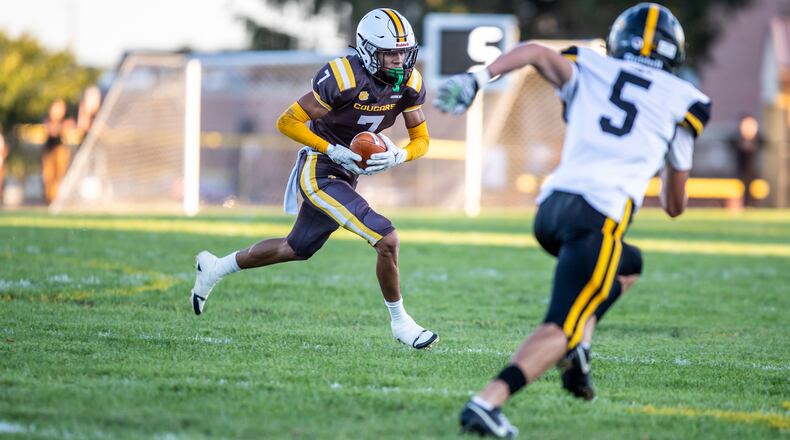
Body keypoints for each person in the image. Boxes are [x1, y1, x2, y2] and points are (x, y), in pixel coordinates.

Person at [434, 3, 710, 437]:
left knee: (629, 264)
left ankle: (579, 349)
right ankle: (488, 402)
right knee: (559, 324)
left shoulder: (593, 65)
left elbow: (534, 51)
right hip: (596, 219)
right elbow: (674, 205)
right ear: (673, 53)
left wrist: (477, 78)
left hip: (552, 209)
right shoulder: (686, 100)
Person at [190, 8, 438, 350]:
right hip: (321, 169)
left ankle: (215, 267)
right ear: (367, 50)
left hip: (348, 174)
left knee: (297, 247)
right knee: (386, 238)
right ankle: (401, 323)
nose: (399, 60)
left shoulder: (409, 83)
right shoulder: (343, 77)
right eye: (389, 53)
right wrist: (331, 149)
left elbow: (422, 140)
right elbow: (287, 121)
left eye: (403, 52)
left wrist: (401, 154)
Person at [42, 99, 74, 204]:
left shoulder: (67, 119)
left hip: (61, 149)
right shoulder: (47, 119)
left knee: (59, 175)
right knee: (49, 175)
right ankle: (49, 199)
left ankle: (57, 198)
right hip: (49, 149)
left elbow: (69, 127)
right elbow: (51, 131)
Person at [729, 114, 762, 207]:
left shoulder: (758, 139)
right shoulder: (736, 139)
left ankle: (751, 206)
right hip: (739, 172)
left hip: (753, 173)